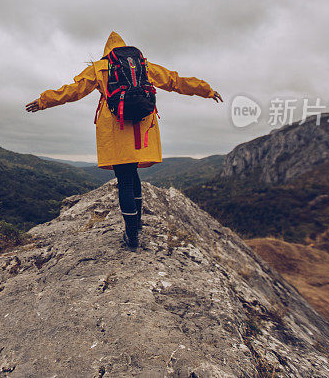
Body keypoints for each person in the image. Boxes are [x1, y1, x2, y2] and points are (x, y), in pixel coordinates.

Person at [26, 31, 222, 249]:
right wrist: (207, 90)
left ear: (107, 51)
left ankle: (131, 236)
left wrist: (44, 101)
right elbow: (175, 81)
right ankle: (136, 225)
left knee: (125, 179)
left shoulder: (100, 68)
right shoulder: (144, 65)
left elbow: (74, 90)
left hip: (116, 127)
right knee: (133, 173)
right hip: (141, 125)